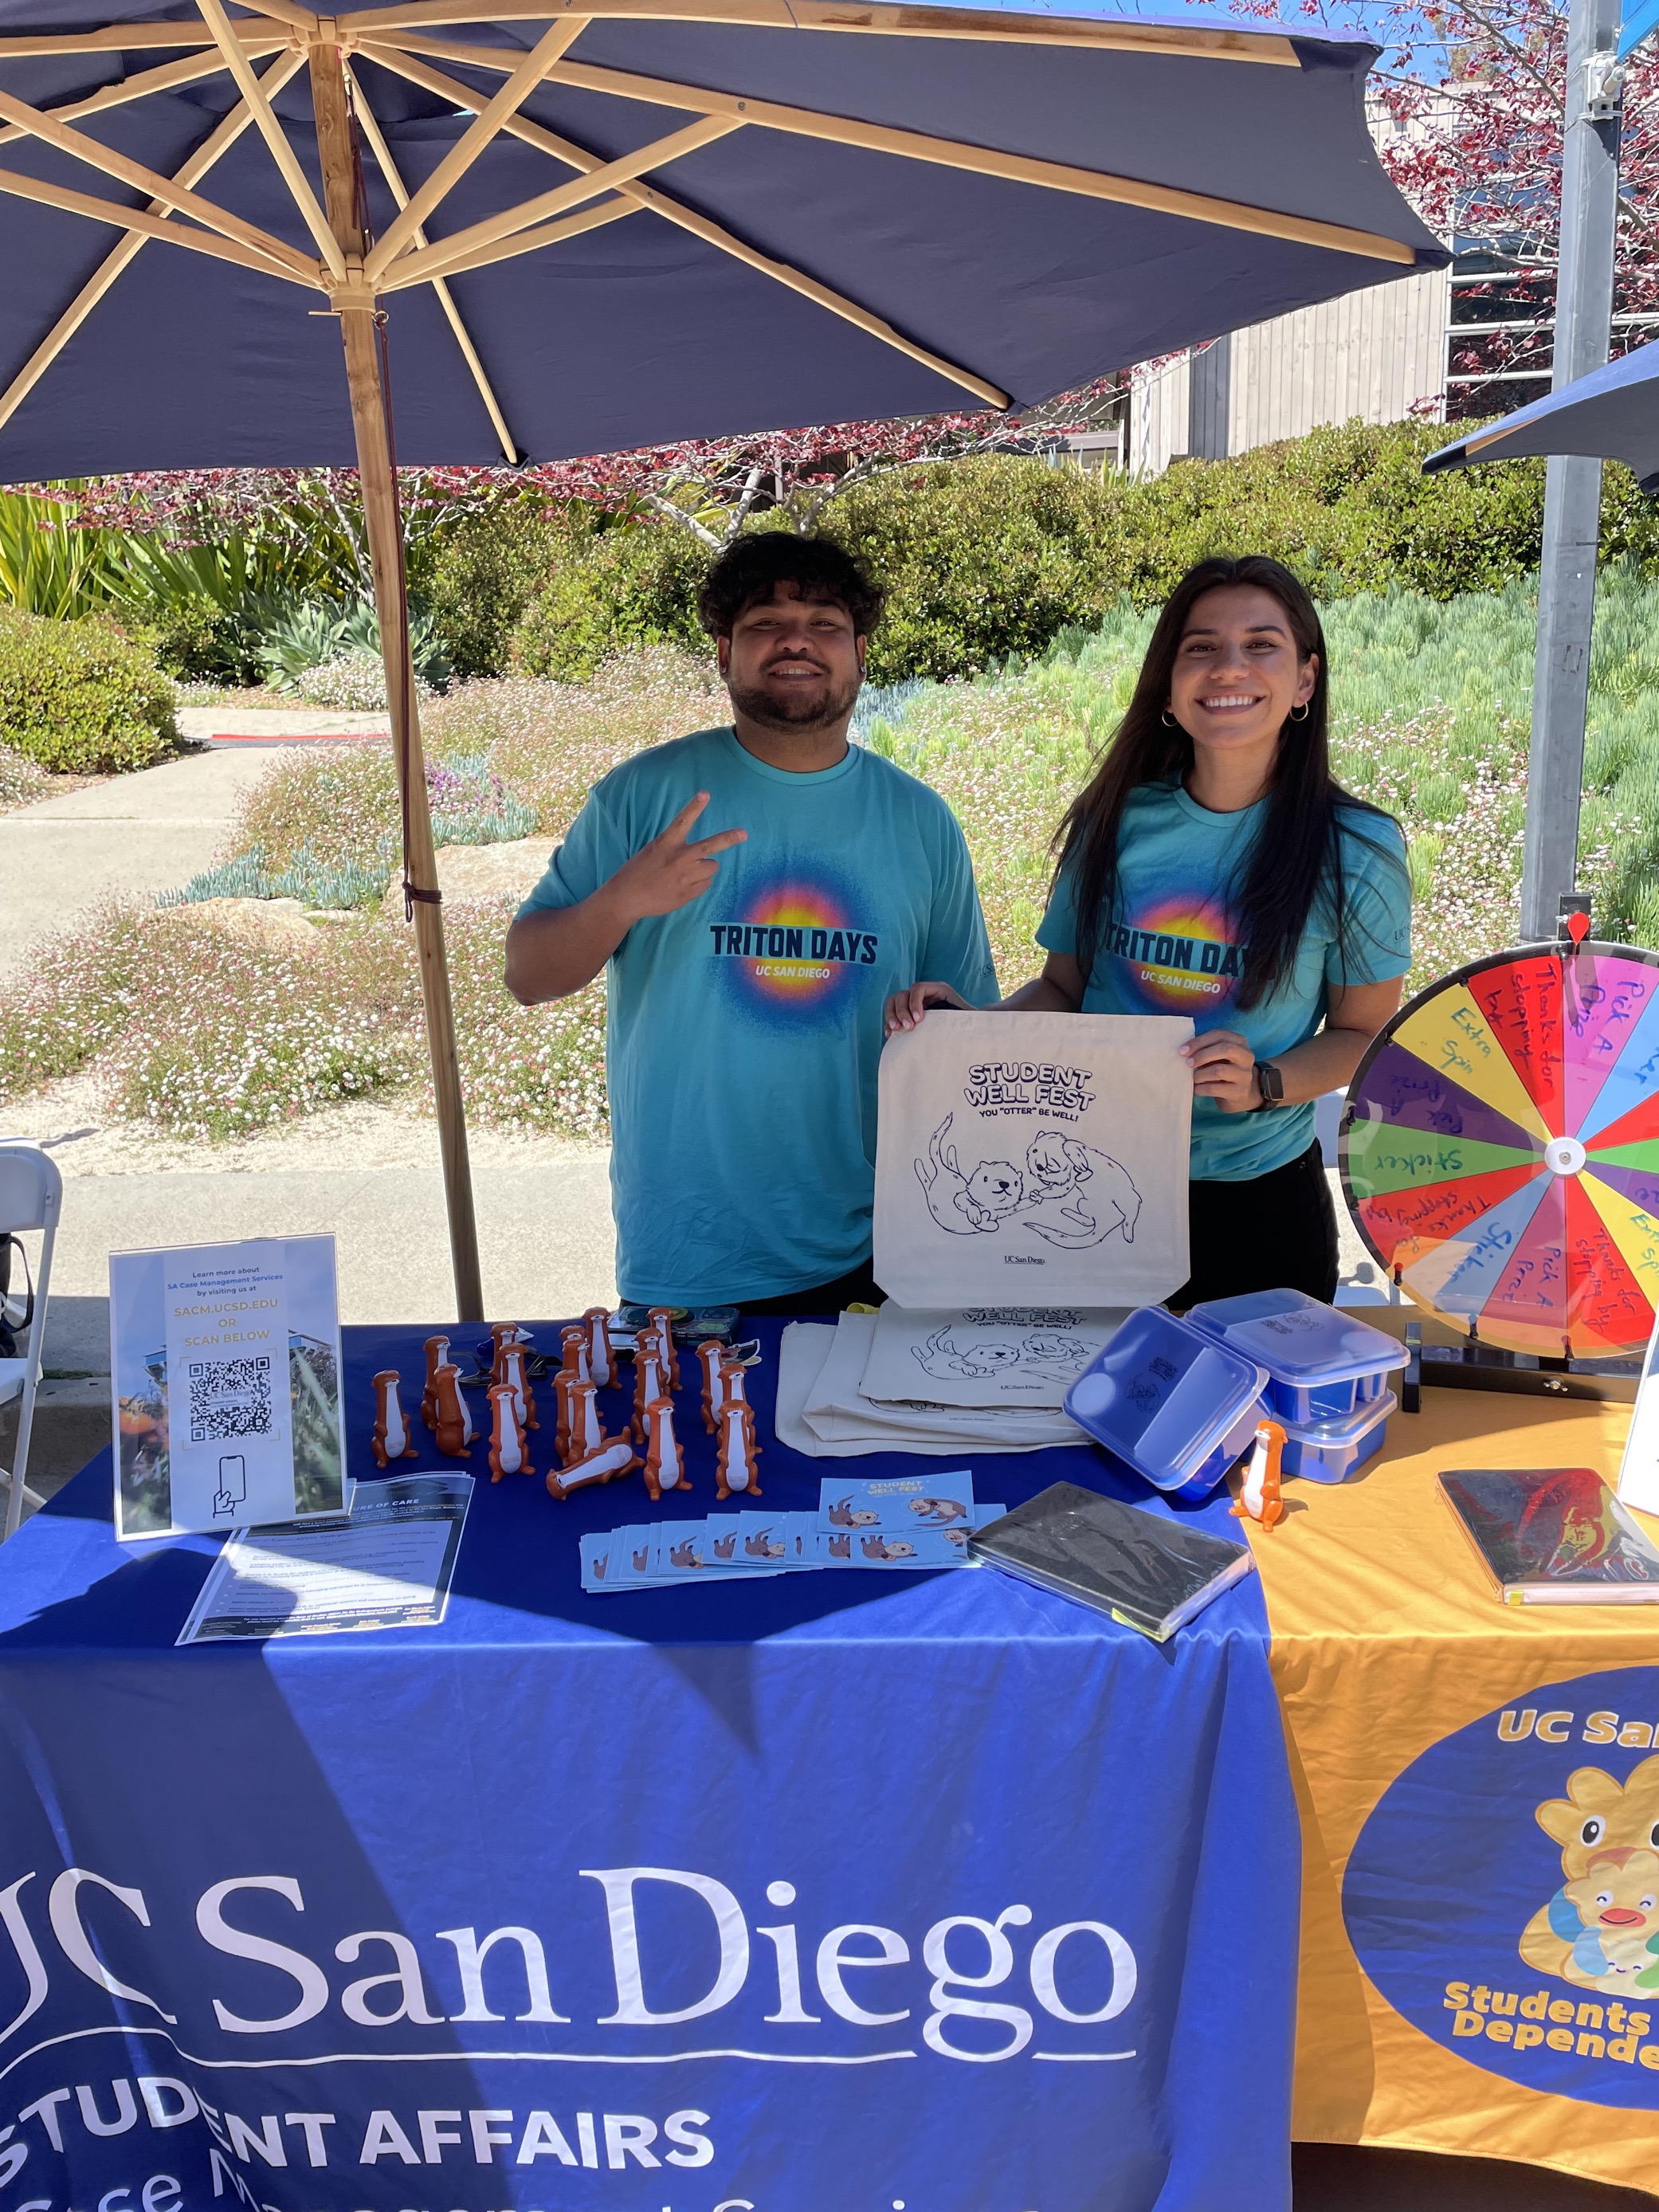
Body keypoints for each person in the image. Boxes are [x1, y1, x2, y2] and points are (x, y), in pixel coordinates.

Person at [885, 554, 1410, 1306]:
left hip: (1257, 1206)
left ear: (1304, 680)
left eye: (1262, 644)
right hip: (1084, 1187)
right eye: (1200, 647)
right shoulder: (1116, 819)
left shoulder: (1356, 849)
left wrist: (1264, 1083)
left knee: (1251, 1428)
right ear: (1169, 682)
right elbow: (1065, 988)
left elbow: (1363, 1037)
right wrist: (968, 1031)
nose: (1229, 668)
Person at [505, 533, 996, 1316]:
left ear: (861, 653)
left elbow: (972, 1039)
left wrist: (952, 1019)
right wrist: (621, 900)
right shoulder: (643, 797)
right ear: (726, 651)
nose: (796, 639)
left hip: (879, 1248)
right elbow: (527, 975)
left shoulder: (920, 821)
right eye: (766, 622)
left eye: (824, 623)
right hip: (691, 1257)